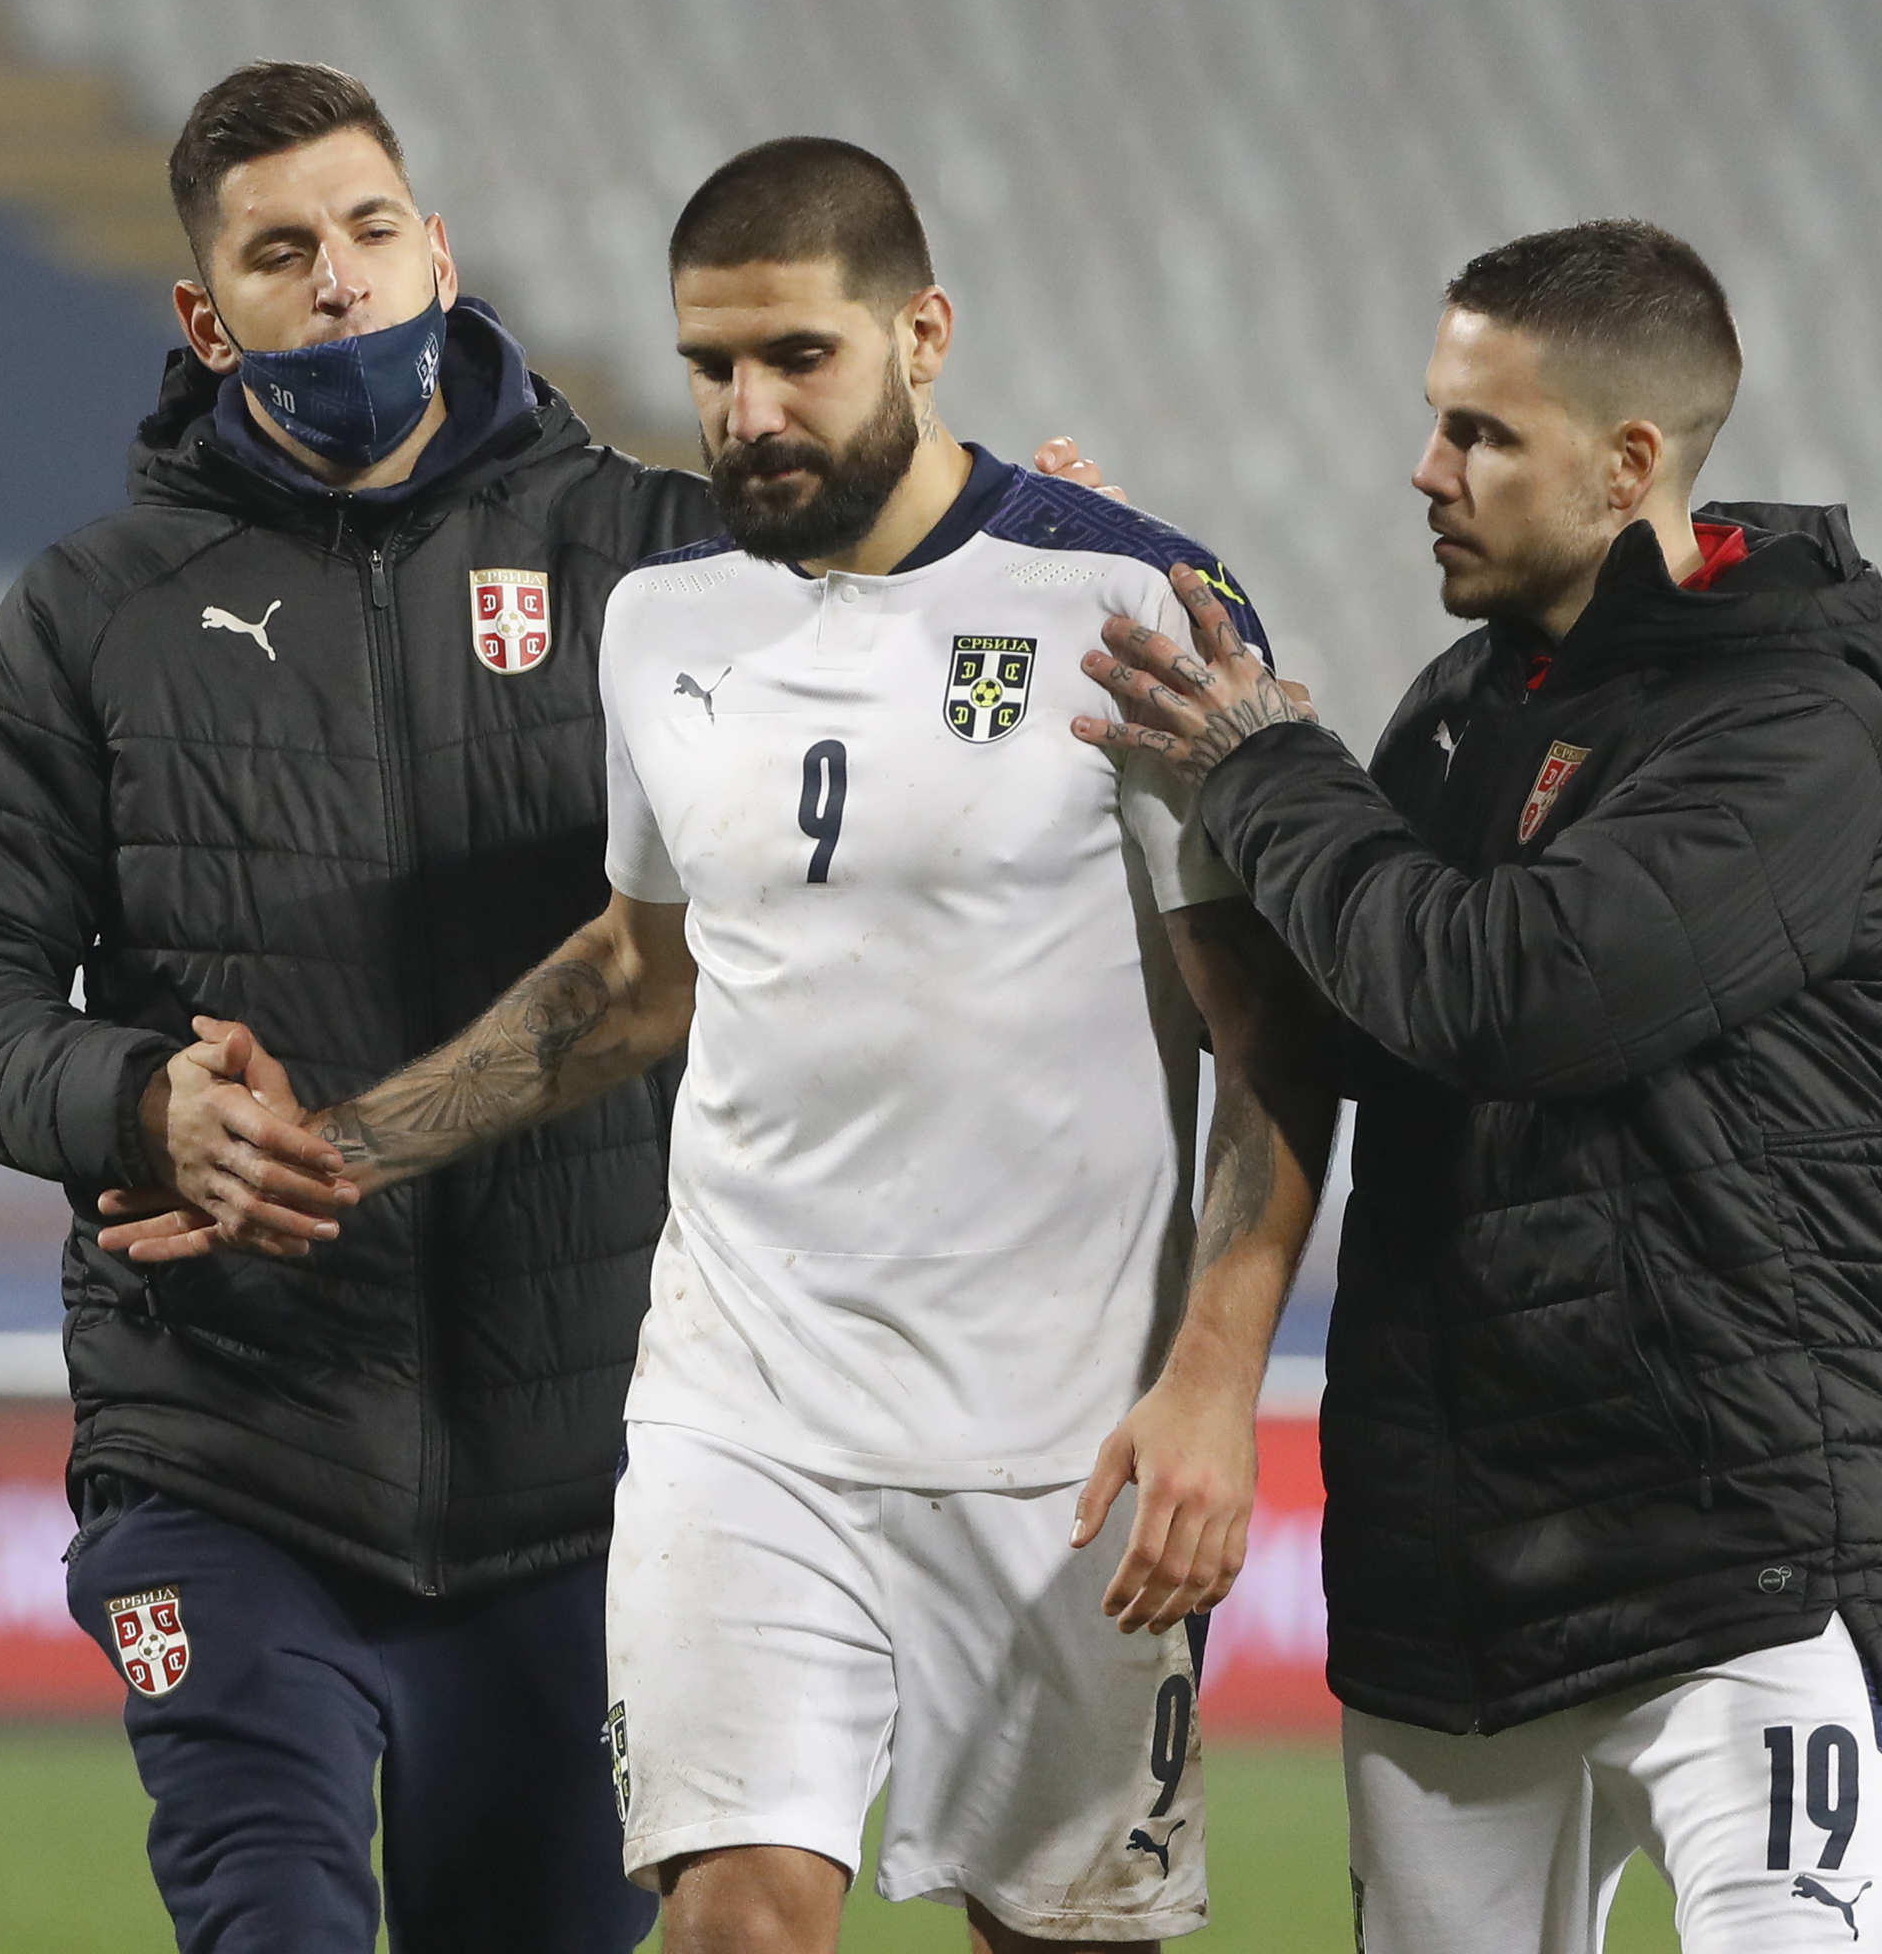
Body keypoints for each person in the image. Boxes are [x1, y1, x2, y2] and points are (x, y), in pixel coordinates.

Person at [0, 65, 1116, 1953]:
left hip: (588, 1485)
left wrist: (1016, 562)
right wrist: (136, 1101)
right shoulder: (94, 615)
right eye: (284, 255)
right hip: (227, 1440)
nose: (344, 282)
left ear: (439, 251)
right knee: (269, 1919)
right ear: (210, 322)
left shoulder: (674, 569)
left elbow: (924, 613)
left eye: (373, 232)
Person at [107, 136, 1338, 1954]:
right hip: (739, 1415)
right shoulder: (665, 623)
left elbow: (1276, 1042)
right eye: (710, 365)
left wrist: (1217, 1389)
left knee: (1066, 1936)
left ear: (924, 336)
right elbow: (635, 977)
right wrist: (340, 1153)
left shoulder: (1130, 607)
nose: (747, 411)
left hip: (1055, 1440)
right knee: (737, 1918)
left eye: (797, 359)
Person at [1076, 221, 1882, 1952]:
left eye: (1480, 433)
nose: (1427, 470)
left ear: (1629, 464)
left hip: (1738, 1579)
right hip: (1455, 1599)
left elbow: (1504, 995)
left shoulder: (1792, 723)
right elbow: (1348, 1036)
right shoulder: (1458, 716)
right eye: (1433, 419)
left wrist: (1274, 775)